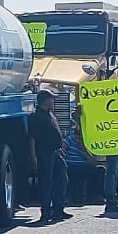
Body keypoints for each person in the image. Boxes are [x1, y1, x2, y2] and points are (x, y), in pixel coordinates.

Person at [29, 89, 70, 224]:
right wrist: (33, 156)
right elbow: (32, 138)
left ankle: (59, 210)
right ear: (45, 100)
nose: (53, 101)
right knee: (46, 182)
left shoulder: (50, 114)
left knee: (62, 179)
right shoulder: (36, 116)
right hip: (44, 152)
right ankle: (46, 212)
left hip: (56, 151)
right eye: (51, 98)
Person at [102, 153, 118, 218]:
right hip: (113, 148)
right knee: (112, 173)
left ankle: (113, 199)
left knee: (116, 173)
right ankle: (110, 201)